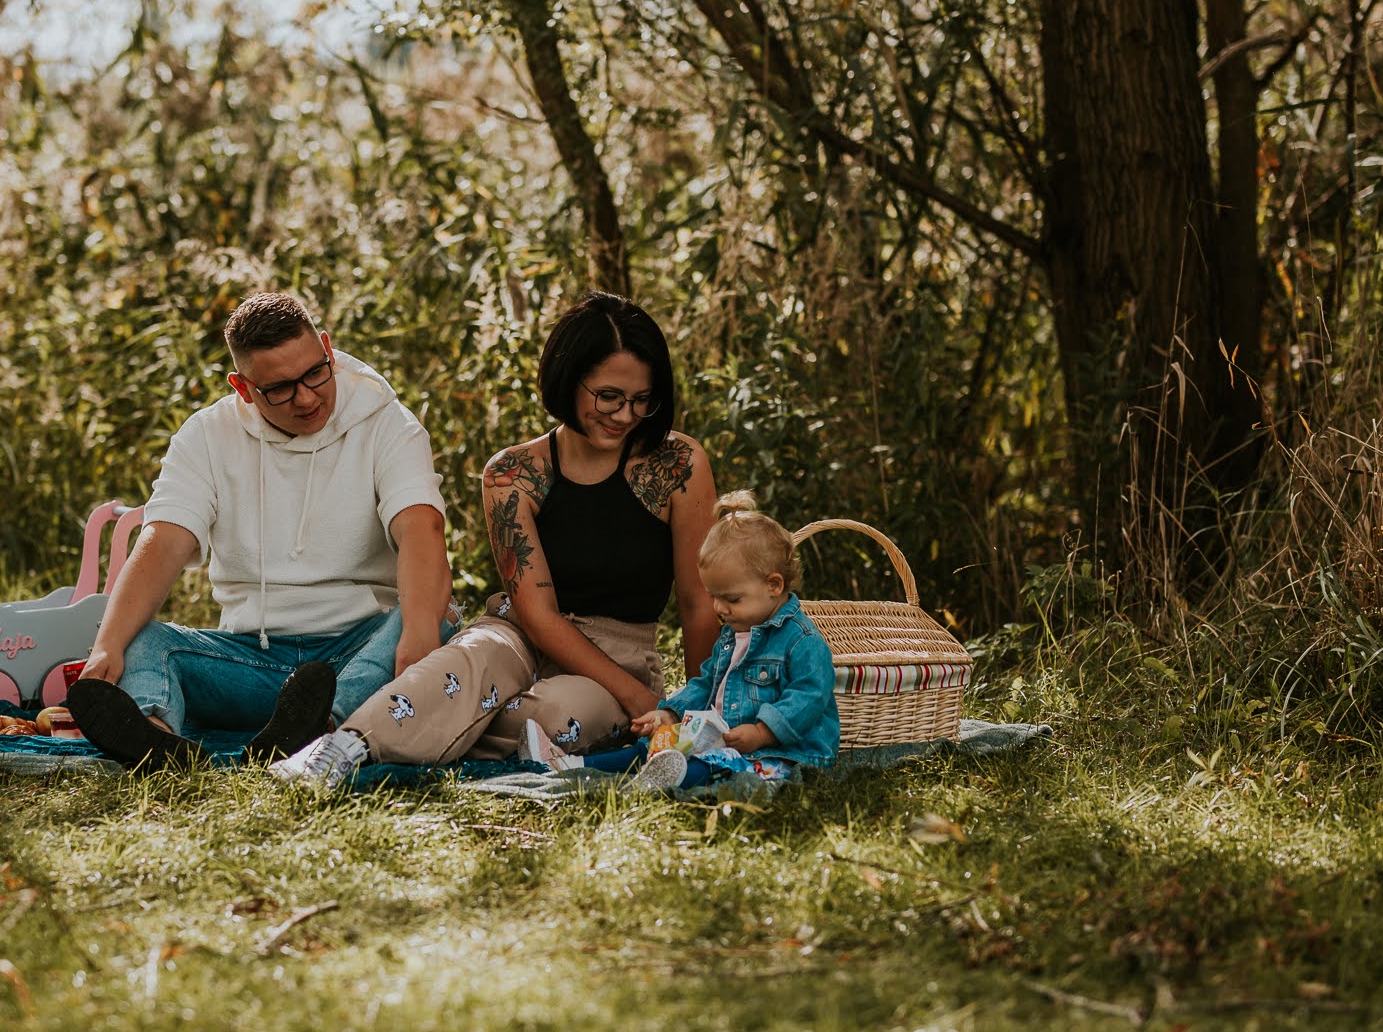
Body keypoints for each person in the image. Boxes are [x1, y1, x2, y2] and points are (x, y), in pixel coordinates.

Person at [271, 292, 719, 786]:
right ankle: (339, 749)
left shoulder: (678, 465)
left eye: (641, 400)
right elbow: (538, 616)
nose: (625, 415)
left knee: (555, 716)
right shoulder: (512, 474)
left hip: (617, 659)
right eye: (609, 396)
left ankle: (429, 726)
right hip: (518, 633)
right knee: (471, 659)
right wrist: (640, 701)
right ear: (568, 379)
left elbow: (699, 603)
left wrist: (700, 710)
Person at [63, 292, 454, 769]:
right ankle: (155, 738)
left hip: (361, 652)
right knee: (139, 639)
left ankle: (322, 727)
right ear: (243, 388)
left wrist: (418, 635)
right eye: (281, 388)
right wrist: (107, 646)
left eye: (315, 373)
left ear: (327, 349)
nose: (306, 397)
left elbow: (422, 529)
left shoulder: (388, 423)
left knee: (437, 612)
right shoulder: (205, 436)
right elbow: (162, 543)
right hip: (249, 661)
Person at [538, 491, 839, 790]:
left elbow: (809, 696)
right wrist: (670, 712)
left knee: (714, 769)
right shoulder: (733, 635)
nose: (719, 608)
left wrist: (763, 732)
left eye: (732, 599)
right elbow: (706, 684)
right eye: (714, 597)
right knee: (650, 747)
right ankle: (570, 765)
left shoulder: (802, 641)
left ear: (774, 585)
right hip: (724, 742)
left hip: (779, 754)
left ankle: (661, 780)